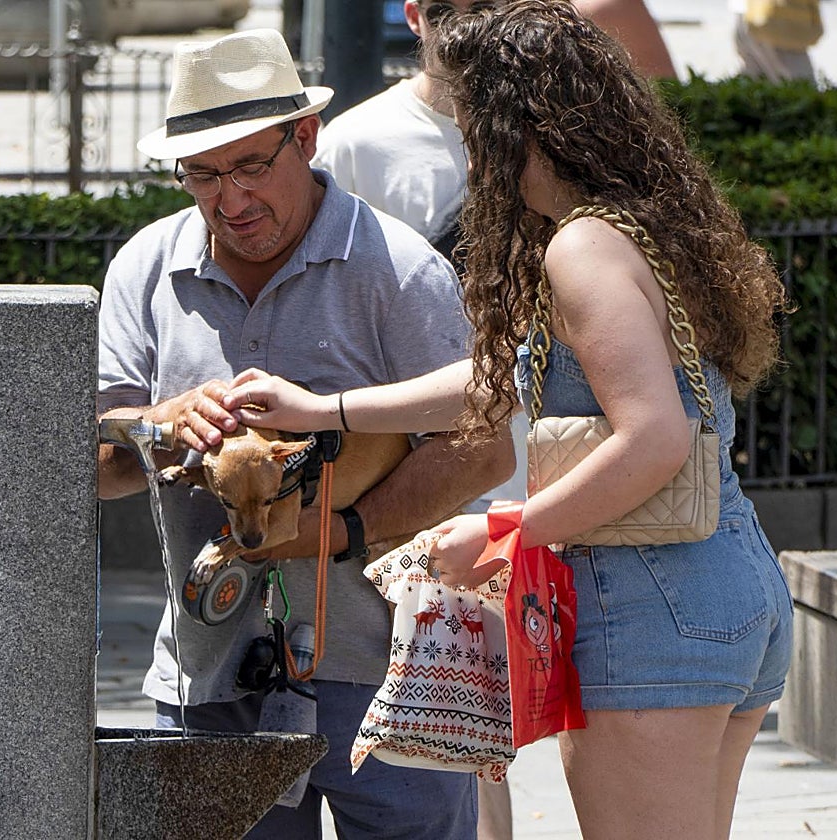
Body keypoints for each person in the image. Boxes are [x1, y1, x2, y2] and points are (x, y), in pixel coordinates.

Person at [230, 4, 794, 837]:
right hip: (725, 582)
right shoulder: (641, 224)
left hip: (650, 604)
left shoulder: (582, 247)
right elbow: (502, 382)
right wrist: (326, 409)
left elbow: (656, 436)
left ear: (514, 126)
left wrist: (504, 534)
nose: (467, 147)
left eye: (472, 123)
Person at [97, 28, 514, 839]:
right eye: (204, 174)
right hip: (210, 671)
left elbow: (483, 445)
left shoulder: (397, 269)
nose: (232, 198)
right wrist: (162, 423)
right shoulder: (145, 268)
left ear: (308, 138)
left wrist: (344, 530)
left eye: (254, 165)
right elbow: (104, 463)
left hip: (392, 672)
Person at [311, 3, 523, 836]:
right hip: (425, 477)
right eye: (453, 6)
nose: (471, 22)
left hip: (536, 463)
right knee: (452, 720)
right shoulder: (359, 141)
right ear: (416, 15)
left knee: (503, 721)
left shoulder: (548, 131)